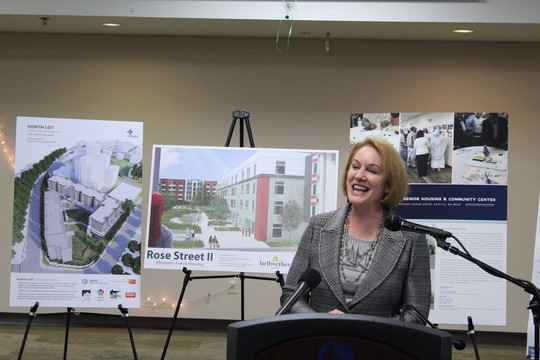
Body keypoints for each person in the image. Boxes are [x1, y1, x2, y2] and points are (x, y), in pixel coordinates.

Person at [279, 138, 431, 324]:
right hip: (319, 344)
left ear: (388, 185)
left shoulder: (411, 239)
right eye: (355, 167)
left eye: (372, 170)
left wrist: (362, 327)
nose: (359, 175)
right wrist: (320, 321)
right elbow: (291, 296)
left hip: (376, 349)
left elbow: (417, 314)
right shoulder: (318, 226)